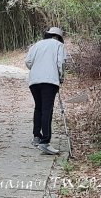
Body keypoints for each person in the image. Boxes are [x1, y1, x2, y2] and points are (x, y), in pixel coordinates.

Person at [25, 26, 66, 155]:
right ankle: (45, 142)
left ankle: (37, 136)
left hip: (34, 81)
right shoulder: (59, 45)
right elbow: (61, 63)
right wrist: (61, 77)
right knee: (47, 110)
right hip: (50, 81)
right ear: (58, 37)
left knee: (39, 108)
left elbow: (28, 62)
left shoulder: (37, 45)